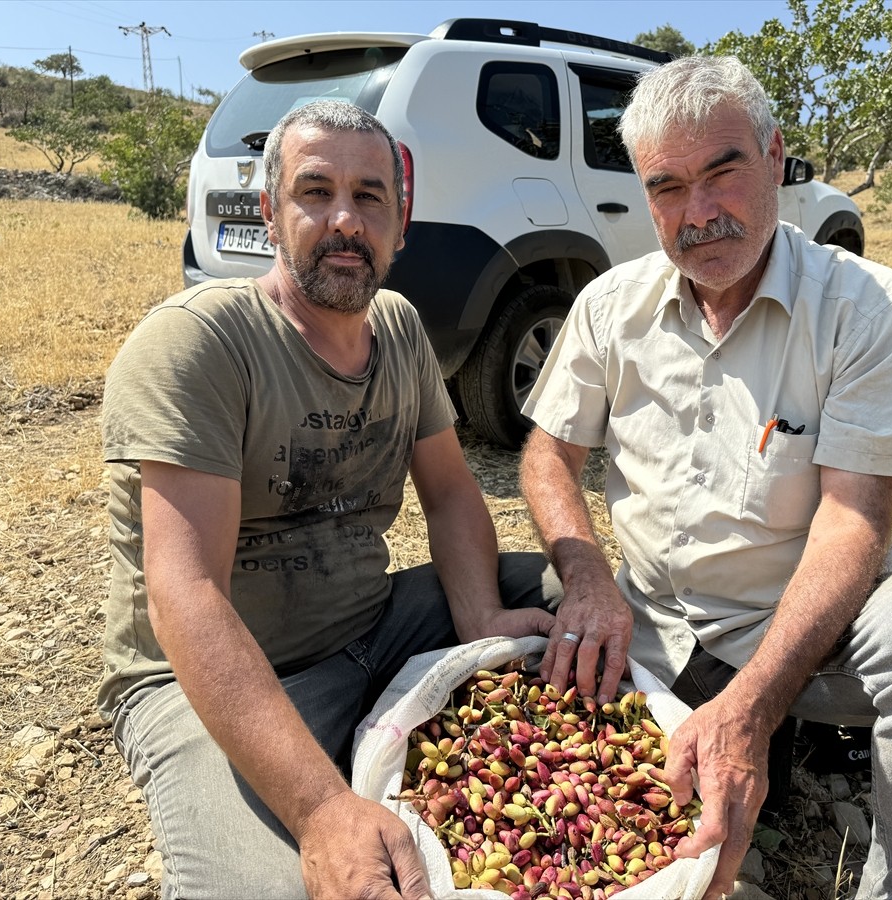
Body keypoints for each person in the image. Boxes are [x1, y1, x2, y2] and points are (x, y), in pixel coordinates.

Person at [519, 56, 892, 900]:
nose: (700, 213)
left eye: (722, 172)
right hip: (646, 623)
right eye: (668, 188)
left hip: (802, 635)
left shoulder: (867, 308)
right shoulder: (611, 305)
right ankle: (726, 741)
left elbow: (853, 522)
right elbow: (547, 454)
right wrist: (584, 578)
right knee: (463, 601)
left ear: (774, 157)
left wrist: (754, 708)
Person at [98, 100, 558, 900]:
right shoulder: (197, 342)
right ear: (271, 215)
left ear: (401, 225)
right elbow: (185, 594)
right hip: (212, 674)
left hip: (372, 627)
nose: (346, 219)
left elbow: (451, 496)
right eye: (316, 192)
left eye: (371, 196)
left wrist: (481, 618)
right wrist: (318, 809)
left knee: (564, 591)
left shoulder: (401, 329)